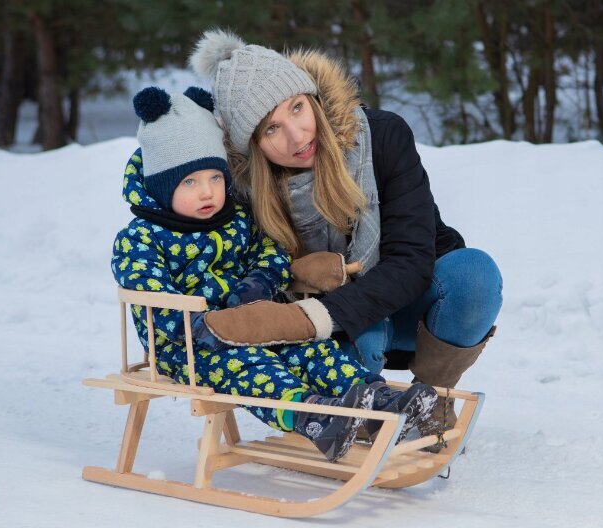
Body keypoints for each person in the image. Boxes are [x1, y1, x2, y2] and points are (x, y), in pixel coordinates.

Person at [180, 29, 505, 449]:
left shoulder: (383, 136)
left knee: (474, 275)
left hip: (405, 304)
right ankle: (354, 415)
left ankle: (432, 398)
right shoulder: (245, 189)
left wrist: (317, 315)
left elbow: (411, 262)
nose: (297, 137)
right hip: (326, 329)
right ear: (254, 146)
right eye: (272, 129)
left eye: (297, 108)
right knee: (362, 337)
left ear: (311, 97)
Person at [112, 85, 436, 462]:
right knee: (253, 366)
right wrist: (202, 324)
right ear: (162, 187)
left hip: (252, 323)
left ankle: (376, 397)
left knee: (311, 350)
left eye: (215, 178)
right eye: (190, 182)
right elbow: (152, 300)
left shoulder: (234, 221)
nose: (207, 193)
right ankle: (311, 416)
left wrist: (259, 282)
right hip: (189, 345)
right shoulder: (141, 240)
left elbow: (271, 252)